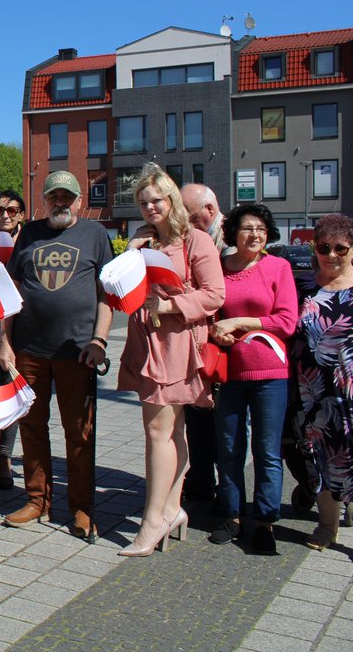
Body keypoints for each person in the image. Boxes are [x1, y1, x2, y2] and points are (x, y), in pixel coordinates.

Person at [0, 173, 111, 539]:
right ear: (44, 200)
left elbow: (106, 294)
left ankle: (81, 507)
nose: (60, 202)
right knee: (31, 425)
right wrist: (4, 341)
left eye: (67, 197)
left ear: (78, 200)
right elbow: (11, 290)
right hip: (30, 348)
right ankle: (37, 499)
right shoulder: (29, 233)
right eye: (53, 196)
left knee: (78, 432)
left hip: (77, 351)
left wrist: (100, 340)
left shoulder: (95, 235)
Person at [116, 165, 223, 556]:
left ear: (172, 199)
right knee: (171, 432)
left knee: (159, 432)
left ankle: (152, 520)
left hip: (177, 341)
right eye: (143, 202)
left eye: (156, 200)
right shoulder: (144, 240)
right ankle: (172, 510)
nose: (149, 207)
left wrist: (170, 304)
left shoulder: (194, 240)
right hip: (148, 339)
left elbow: (215, 295)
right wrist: (131, 253)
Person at [207, 204, 297, 554]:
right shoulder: (219, 268)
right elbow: (211, 314)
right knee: (228, 448)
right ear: (233, 233)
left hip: (271, 372)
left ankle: (265, 520)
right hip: (230, 372)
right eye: (247, 228)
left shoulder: (278, 267)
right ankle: (232, 514)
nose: (255, 235)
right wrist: (218, 331)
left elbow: (287, 320)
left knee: (267, 449)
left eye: (261, 228)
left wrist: (239, 322)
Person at [293, 213, 353, 551]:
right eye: (323, 247)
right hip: (312, 392)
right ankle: (327, 524)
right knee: (318, 456)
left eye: (340, 248)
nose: (331, 255)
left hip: (351, 390)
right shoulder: (304, 284)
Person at [179, 182, 229, 503]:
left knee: (225, 421)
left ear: (209, 211)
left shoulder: (231, 239)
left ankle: (227, 490)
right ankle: (199, 480)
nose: (184, 223)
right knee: (197, 415)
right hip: (197, 342)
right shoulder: (192, 238)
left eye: (190, 216)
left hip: (226, 343)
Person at [0, 188, 26, 490]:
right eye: (1, 210)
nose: (6, 215)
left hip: (22, 322)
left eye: (12, 210)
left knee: (11, 390)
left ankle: (4, 457)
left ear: (22, 214)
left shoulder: (30, 240)